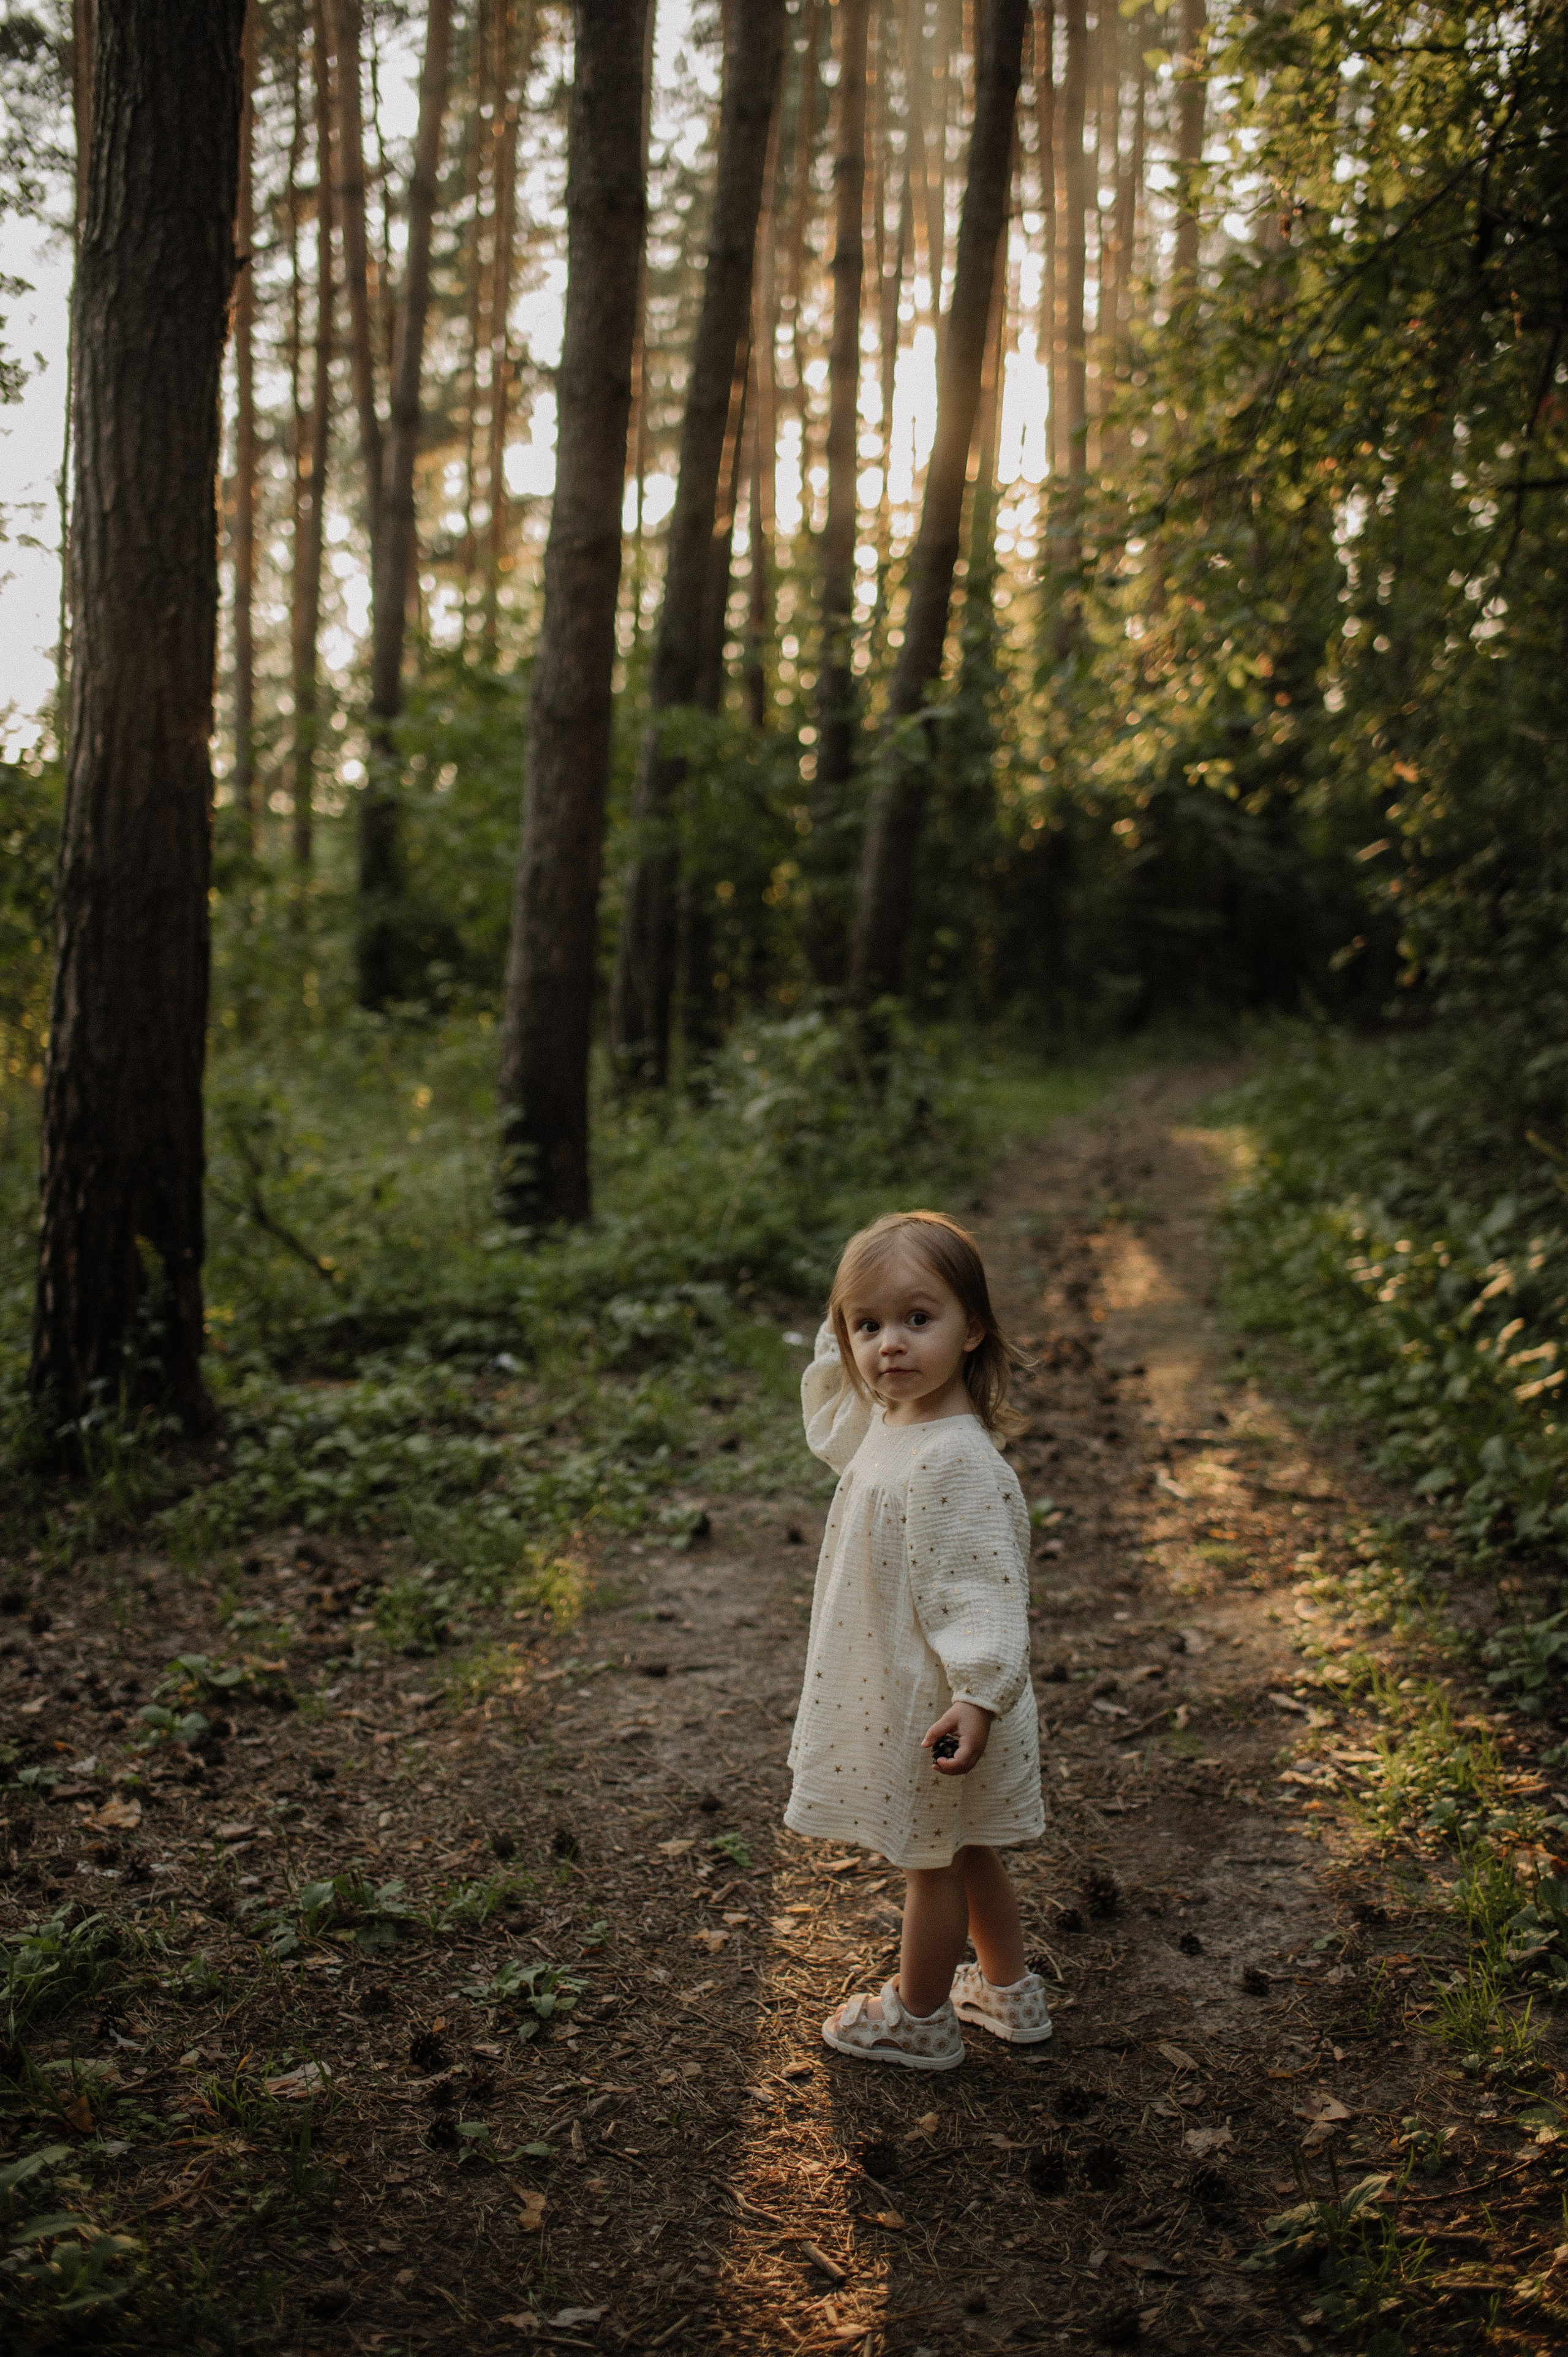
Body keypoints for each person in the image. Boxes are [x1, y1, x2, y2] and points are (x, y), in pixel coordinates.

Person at [785, 1209, 1052, 2070]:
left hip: (939, 1702)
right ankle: (1008, 1992)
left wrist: (975, 1694)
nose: (888, 1346)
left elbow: (983, 1591)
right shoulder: (894, 1427)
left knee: (929, 1862)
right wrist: (844, 1340)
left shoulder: (954, 1461)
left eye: (916, 1319)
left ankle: (920, 2016)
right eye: (868, 1326)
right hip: (932, 1692)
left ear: (974, 1329)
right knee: (965, 1844)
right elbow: (834, 1425)